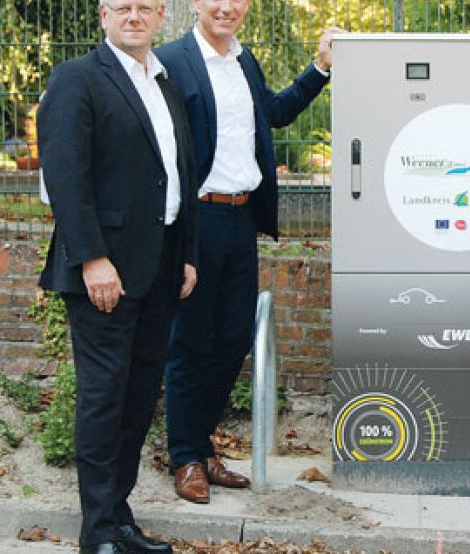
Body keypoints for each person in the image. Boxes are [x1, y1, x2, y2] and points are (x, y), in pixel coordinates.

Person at [154, 0, 339, 503]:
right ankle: (186, 457)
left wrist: (320, 67)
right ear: (196, 3)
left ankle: (201, 443)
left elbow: (274, 114)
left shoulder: (245, 61)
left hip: (241, 220)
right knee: (189, 341)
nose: (226, 7)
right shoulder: (170, 60)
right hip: (197, 219)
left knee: (233, 338)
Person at [37, 0, 198, 551]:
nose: (134, 16)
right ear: (103, 15)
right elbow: (64, 176)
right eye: (122, 7)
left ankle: (120, 520)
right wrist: (91, 258)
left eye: (145, 7)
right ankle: (98, 533)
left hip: (159, 270)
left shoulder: (164, 84)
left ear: (160, 18)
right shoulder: (77, 79)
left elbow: (179, 177)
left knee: (137, 399)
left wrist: (188, 256)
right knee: (105, 400)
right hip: (102, 271)